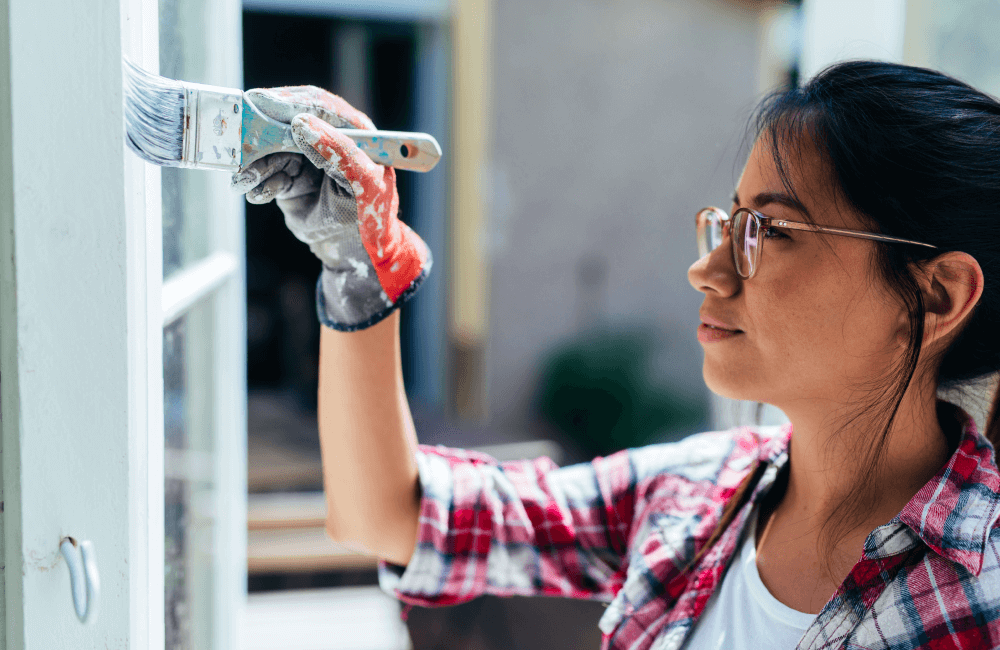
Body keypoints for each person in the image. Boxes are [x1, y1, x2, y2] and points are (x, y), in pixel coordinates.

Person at [231, 61, 1000, 649]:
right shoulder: (699, 497)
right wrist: (360, 272)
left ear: (936, 297)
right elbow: (395, 515)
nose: (708, 268)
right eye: (728, 223)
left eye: (772, 231)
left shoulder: (982, 597)